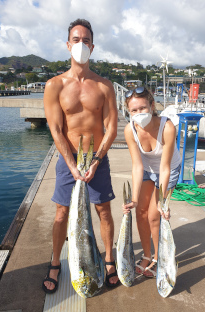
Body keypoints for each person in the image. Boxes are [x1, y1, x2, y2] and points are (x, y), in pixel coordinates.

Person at [42, 18, 119, 294]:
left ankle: (109, 259)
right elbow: (56, 128)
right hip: (69, 158)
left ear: (93, 46)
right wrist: (72, 164)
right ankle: (55, 261)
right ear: (67, 45)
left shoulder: (104, 86)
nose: (81, 45)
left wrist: (97, 159)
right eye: (76, 40)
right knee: (62, 213)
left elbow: (111, 126)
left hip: (97, 156)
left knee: (104, 211)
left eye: (86, 41)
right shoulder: (54, 85)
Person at [123, 87, 181, 277]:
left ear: (152, 105)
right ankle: (147, 255)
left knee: (154, 215)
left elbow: (164, 168)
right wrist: (133, 198)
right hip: (147, 169)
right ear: (128, 112)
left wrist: (162, 201)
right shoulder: (129, 130)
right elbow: (137, 166)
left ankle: (159, 257)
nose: (138, 113)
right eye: (134, 110)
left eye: (142, 108)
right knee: (140, 211)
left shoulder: (167, 127)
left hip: (168, 169)